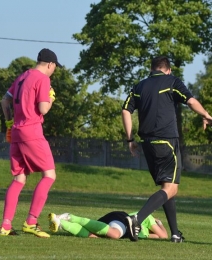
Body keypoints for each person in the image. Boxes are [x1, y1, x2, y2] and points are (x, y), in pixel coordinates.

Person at [121, 56, 212, 242]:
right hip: (167, 142)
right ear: (168, 70)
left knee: (166, 187)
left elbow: (125, 110)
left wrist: (130, 139)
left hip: (148, 143)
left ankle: (176, 234)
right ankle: (137, 219)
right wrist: (206, 115)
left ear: (152, 69)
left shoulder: (139, 86)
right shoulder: (172, 82)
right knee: (171, 188)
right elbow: (191, 101)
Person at [0, 48, 62, 237]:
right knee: (49, 175)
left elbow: (4, 101)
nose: (54, 71)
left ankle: (6, 226)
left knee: (19, 178)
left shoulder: (22, 77)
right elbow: (42, 109)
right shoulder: (43, 79)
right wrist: (50, 99)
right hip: (32, 132)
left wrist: (9, 122)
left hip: (16, 131)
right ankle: (31, 221)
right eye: (55, 67)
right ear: (50, 64)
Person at [48, 211, 168, 240]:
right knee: (115, 234)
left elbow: (156, 237)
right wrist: (160, 223)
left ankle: (61, 223)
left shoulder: (145, 233)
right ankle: (70, 217)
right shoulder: (149, 217)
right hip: (121, 219)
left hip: (115, 222)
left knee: (93, 236)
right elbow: (163, 236)